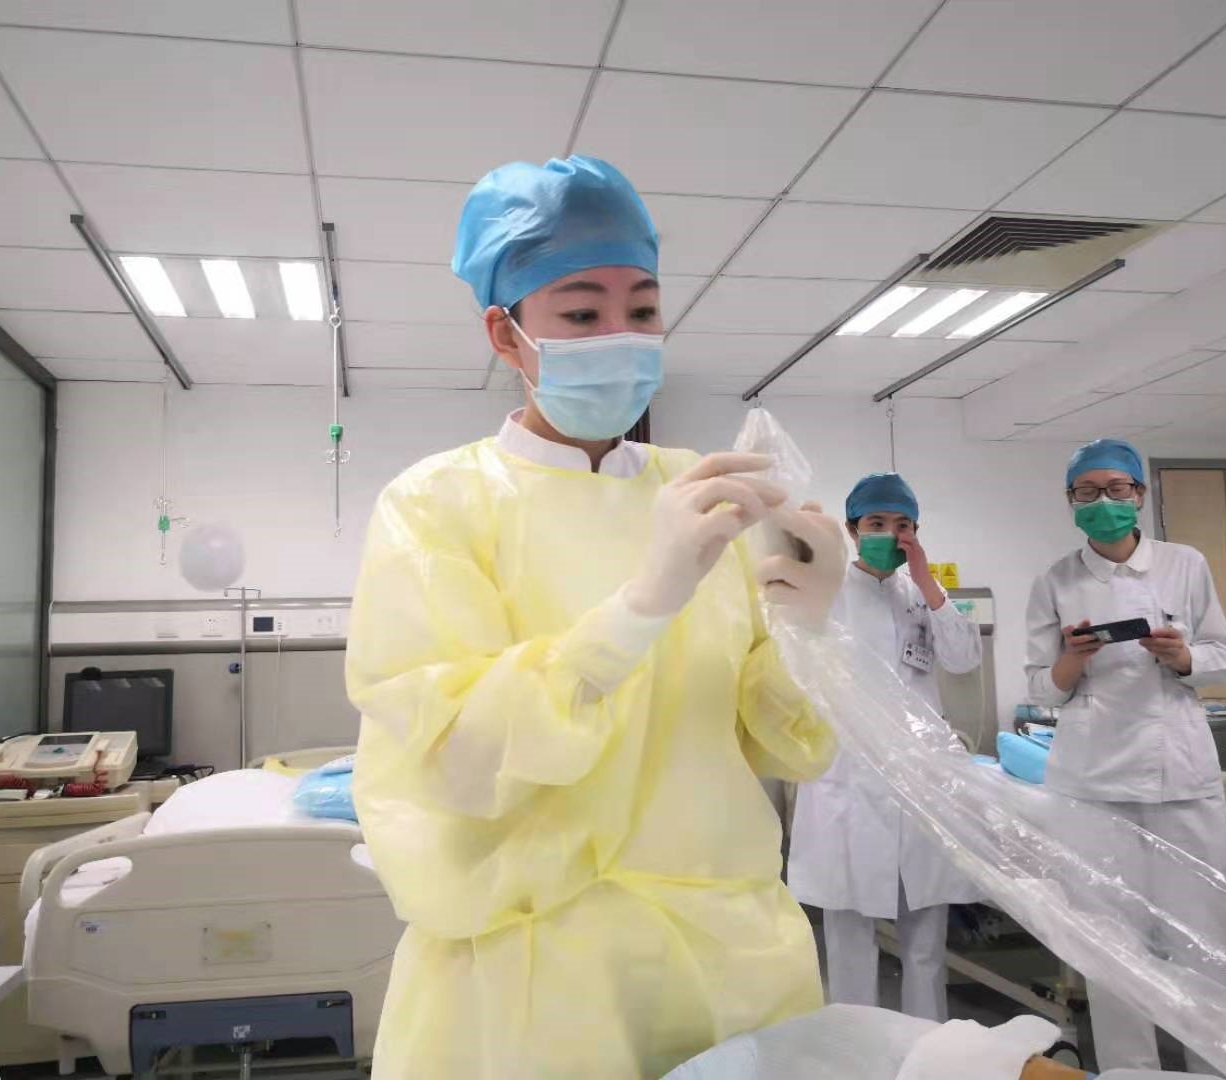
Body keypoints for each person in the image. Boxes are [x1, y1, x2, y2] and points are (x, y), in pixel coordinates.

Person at [345, 155, 849, 1079]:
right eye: (581, 315)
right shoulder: (438, 505)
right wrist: (639, 608)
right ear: (505, 333)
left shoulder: (706, 494)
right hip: (536, 966)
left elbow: (785, 746)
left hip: (732, 953)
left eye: (643, 310)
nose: (620, 336)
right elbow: (455, 757)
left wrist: (809, 626)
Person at [1024, 437, 1226, 1072]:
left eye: (1116, 488)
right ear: (1071, 501)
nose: (1103, 501)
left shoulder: (1184, 564)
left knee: (1204, 939)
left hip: (1181, 777)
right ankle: (1130, 1071)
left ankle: (1215, 1066)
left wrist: (1183, 656)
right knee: (1110, 943)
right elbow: (1040, 687)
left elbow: (1223, 655)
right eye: (1087, 492)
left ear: (1138, 494)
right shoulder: (1056, 581)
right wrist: (1072, 659)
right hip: (1092, 784)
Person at [788, 473, 982, 1022]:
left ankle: (927, 1045)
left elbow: (964, 660)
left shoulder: (922, 597)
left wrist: (928, 583)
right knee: (850, 937)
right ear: (852, 530)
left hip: (919, 781)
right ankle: (857, 1048)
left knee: (926, 938)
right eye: (877, 523)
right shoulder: (827, 592)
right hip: (849, 778)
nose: (891, 534)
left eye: (903, 525)